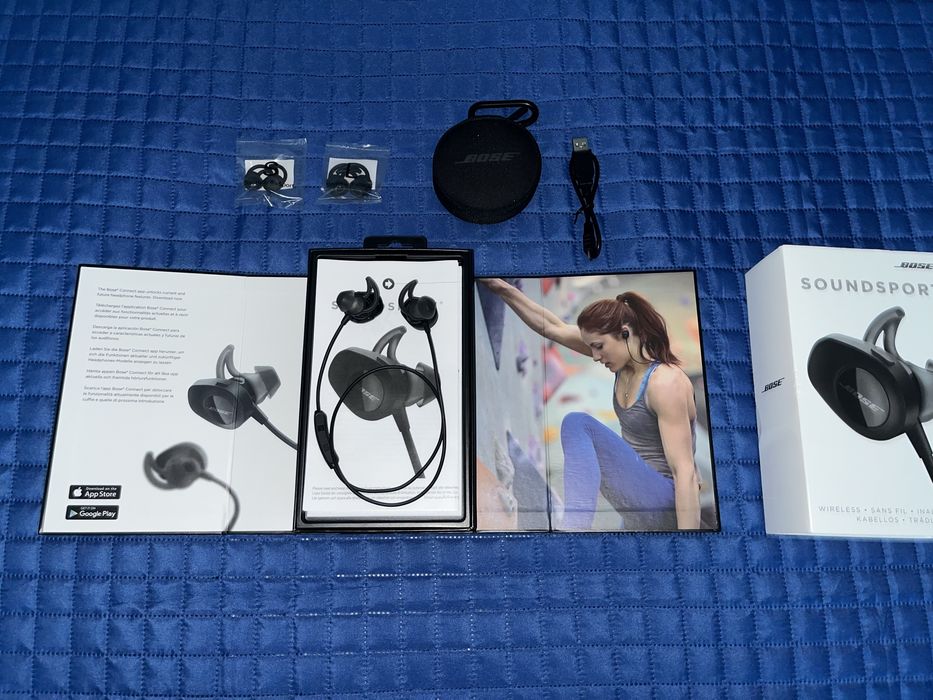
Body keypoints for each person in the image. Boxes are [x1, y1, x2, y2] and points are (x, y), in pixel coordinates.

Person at [481, 279, 701, 530]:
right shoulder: (621, 360)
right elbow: (552, 327)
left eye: (599, 347)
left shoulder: (665, 383)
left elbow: (685, 472)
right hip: (639, 506)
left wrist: (690, 543)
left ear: (625, 333)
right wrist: (503, 289)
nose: (595, 356)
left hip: (667, 501)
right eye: (591, 348)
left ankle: (573, 530)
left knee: (577, 424)